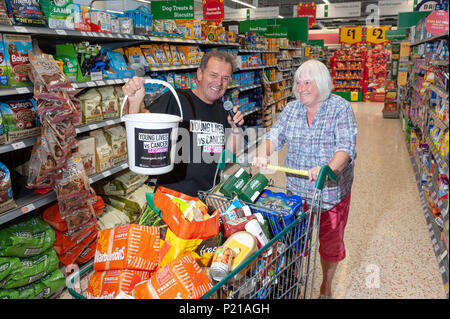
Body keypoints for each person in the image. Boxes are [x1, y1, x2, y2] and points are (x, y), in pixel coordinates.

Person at [252, 59, 357, 299]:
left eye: (307, 82)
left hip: (330, 193)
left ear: (321, 83)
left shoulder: (340, 108)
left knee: (330, 244)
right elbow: (275, 134)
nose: (301, 88)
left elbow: (346, 148)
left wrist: (327, 168)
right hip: (297, 193)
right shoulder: (292, 109)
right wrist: (263, 152)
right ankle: (292, 283)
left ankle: (326, 288)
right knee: (294, 240)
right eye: (298, 83)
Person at [122, 50, 244, 197]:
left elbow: (230, 154)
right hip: (172, 198)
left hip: (207, 198)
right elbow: (138, 129)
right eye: (213, 75)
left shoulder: (223, 109)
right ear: (199, 74)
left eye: (225, 78)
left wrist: (235, 128)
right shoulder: (176, 99)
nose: (219, 83)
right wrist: (134, 102)